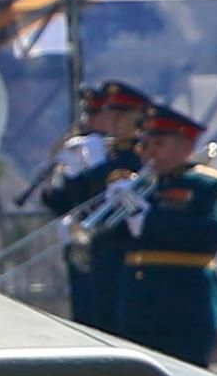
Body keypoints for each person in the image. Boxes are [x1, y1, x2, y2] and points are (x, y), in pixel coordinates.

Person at [114, 103, 217, 366]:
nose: (148, 152)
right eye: (144, 144)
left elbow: (215, 231)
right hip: (137, 303)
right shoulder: (141, 187)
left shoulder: (210, 185)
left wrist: (150, 220)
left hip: (184, 305)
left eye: (158, 143)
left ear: (185, 147)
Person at [41, 82, 151, 335]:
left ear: (137, 119)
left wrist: (94, 170)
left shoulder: (137, 160)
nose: (112, 121)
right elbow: (66, 202)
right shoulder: (104, 157)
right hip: (97, 256)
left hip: (125, 257)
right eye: (109, 114)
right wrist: (64, 172)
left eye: (119, 115)